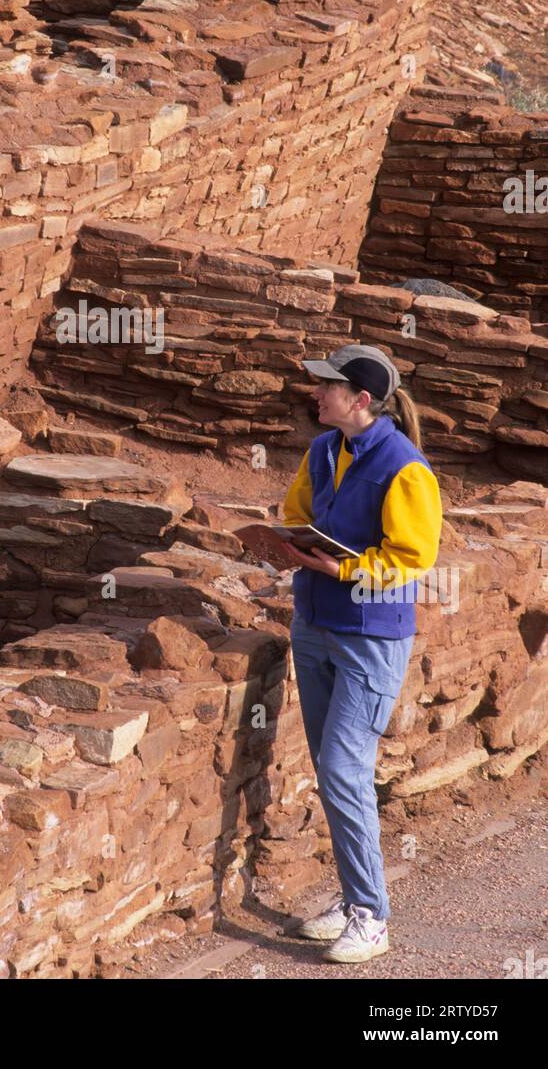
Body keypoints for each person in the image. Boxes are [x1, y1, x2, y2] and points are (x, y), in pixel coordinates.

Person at [281, 344, 442, 964]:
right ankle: (354, 901)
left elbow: (412, 562)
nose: (315, 395)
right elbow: (297, 513)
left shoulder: (406, 468)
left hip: (371, 639)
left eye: (326, 387)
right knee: (330, 771)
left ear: (361, 400)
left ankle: (371, 916)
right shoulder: (322, 450)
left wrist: (344, 567)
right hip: (314, 625)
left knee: (344, 771)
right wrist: (286, 544)